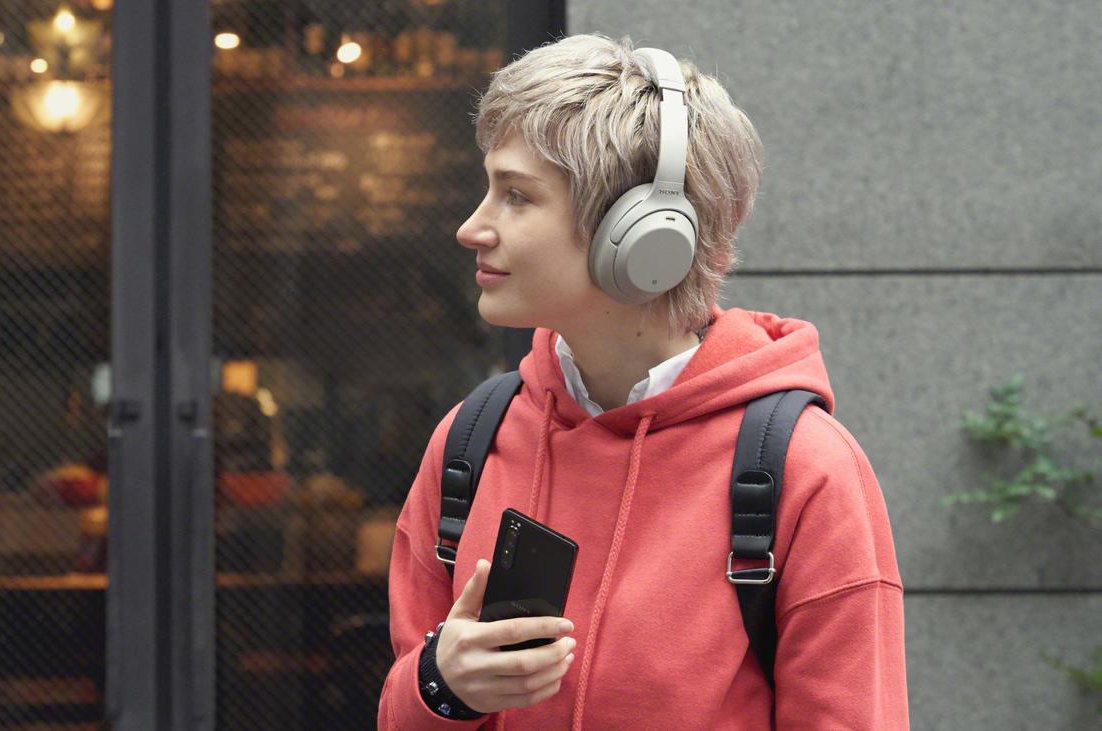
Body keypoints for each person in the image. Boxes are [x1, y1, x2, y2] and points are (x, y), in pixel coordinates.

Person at [378, 33, 907, 730]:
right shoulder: (470, 443)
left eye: (516, 195)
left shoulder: (807, 471)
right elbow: (399, 709)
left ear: (642, 234)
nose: (473, 227)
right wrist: (441, 688)